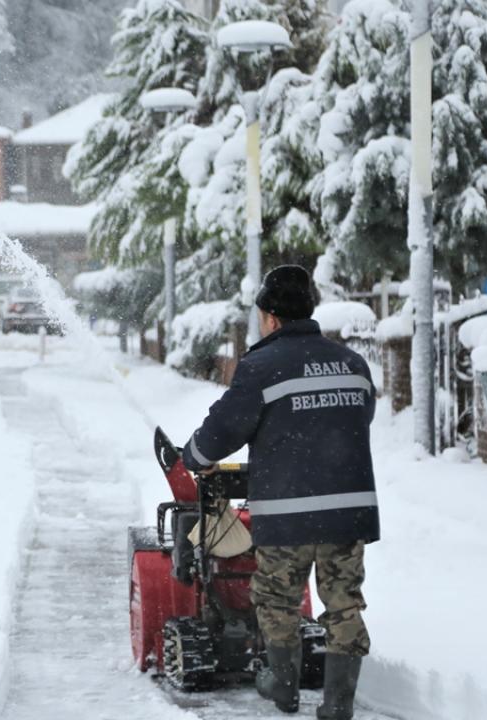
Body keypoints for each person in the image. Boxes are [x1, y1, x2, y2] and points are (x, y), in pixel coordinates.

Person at [181, 265, 378, 719]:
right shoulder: (353, 364)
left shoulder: (261, 367)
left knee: (277, 600)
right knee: (344, 604)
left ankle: (284, 688)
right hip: (347, 512)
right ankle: (337, 705)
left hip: (288, 513)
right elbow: (358, 418)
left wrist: (194, 456)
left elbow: (222, 431)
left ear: (270, 317)